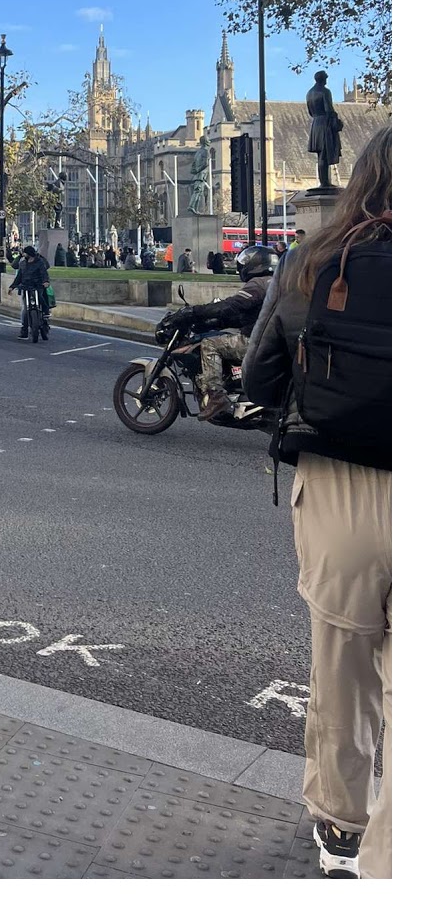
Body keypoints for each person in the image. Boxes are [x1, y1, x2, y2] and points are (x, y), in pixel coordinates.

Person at [243, 127, 391, 879]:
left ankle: (340, 833)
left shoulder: (310, 262)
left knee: (342, 670)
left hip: (340, 491)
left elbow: (259, 382)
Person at [159, 244, 277, 422]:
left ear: (255, 264)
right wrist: (218, 321)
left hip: (257, 341)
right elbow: (247, 315)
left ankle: (216, 395)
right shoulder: (277, 283)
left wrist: (195, 312)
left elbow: (232, 305)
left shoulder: (258, 284)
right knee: (221, 337)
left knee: (210, 344)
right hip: (272, 339)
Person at [10, 246, 50, 340]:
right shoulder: (23, 263)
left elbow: (44, 273)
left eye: (25, 253)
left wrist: (45, 281)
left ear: (29, 254)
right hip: (26, 287)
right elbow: (19, 276)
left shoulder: (39, 262)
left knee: (41, 298)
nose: (24, 255)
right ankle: (24, 330)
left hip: (37, 286)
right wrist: (12, 286)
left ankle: (45, 314)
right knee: (25, 309)